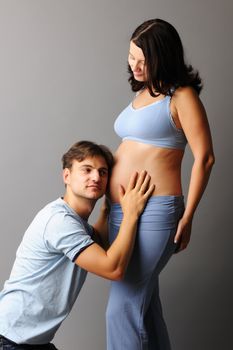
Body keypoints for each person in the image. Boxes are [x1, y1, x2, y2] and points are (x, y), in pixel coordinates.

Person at [106, 18, 215, 349]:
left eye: (144, 59)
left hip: (156, 211)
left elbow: (205, 157)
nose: (136, 66)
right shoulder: (141, 93)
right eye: (131, 57)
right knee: (146, 310)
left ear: (164, 57)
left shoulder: (181, 97)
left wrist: (188, 216)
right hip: (121, 211)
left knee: (122, 309)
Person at [0, 140, 154, 350]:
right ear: (67, 176)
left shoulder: (75, 222)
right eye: (86, 170)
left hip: (30, 341)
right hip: (10, 340)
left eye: (103, 172)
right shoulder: (60, 221)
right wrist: (131, 214)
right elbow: (113, 268)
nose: (96, 177)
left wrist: (109, 208)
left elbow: (97, 243)